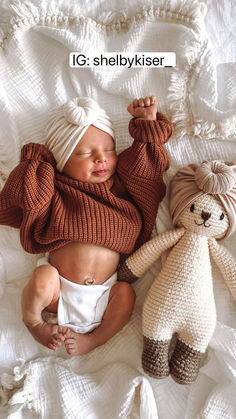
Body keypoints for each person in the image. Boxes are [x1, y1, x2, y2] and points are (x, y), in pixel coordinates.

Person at [0, 95, 173, 355]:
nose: (101, 159)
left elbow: (145, 172)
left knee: (126, 293)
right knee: (42, 278)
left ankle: (94, 339)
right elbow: (25, 195)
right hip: (58, 291)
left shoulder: (120, 190)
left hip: (106, 294)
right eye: (84, 153)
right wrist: (37, 160)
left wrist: (146, 123)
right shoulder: (56, 190)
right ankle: (34, 322)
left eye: (109, 150)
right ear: (62, 161)